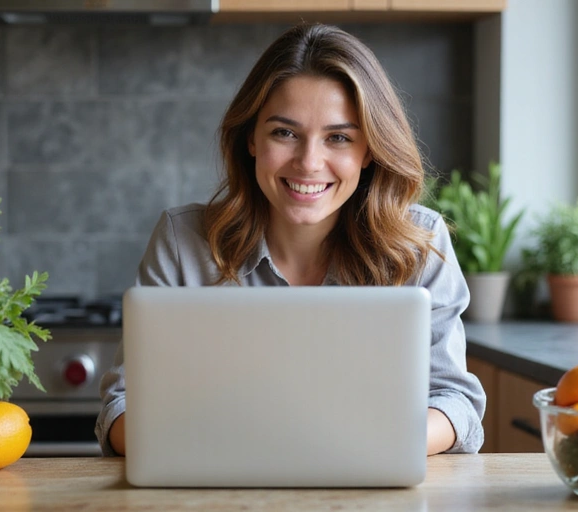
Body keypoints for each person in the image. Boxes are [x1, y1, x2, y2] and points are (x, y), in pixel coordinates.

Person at [95, 22, 486, 457]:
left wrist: (356, 449)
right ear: (251, 138)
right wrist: (235, 450)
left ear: (369, 150)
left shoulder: (419, 242)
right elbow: (123, 406)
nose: (309, 162)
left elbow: (455, 402)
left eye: (338, 138)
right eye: (285, 133)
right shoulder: (182, 242)